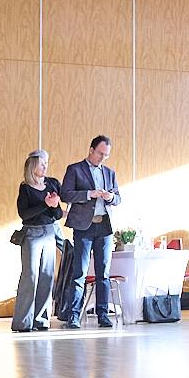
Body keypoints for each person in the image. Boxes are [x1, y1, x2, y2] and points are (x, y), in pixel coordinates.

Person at [60, 135, 121, 329]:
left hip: (104, 226)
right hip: (83, 226)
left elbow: (119, 198)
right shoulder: (75, 169)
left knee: (103, 272)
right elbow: (65, 194)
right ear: (91, 150)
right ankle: (74, 315)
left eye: (106, 155)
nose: (103, 157)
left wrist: (111, 197)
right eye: (101, 153)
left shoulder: (110, 173)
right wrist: (89, 194)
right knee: (79, 272)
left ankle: (103, 315)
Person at [11, 150, 63, 333]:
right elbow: (24, 214)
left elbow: (57, 215)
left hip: (49, 232)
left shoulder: (53, 184)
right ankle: (23, 323)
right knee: (30, 276)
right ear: (32, 165)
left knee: (47, 276)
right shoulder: (25, 188)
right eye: (41, 163)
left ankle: (41, 320)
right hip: (32, 235)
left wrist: (55, 206)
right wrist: (45, 205)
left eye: (46, 162)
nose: (45, 166)